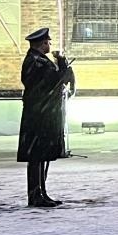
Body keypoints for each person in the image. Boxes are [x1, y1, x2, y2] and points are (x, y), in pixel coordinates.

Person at [18, 27, 72, 207]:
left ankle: (41, 193)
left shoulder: (38, 60)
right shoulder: (36, 61)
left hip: (42, 113)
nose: (50, 45)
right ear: (42, 44)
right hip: (38, 115)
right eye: (48, 42)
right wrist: (63, 65)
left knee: (41, 156)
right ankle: (35, 195)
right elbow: (53, 81)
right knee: (36, 157)